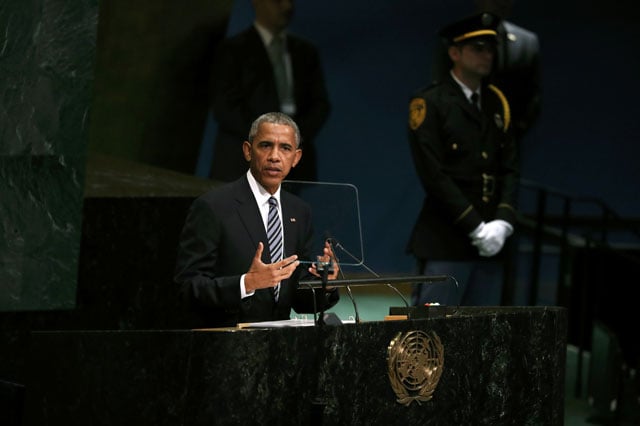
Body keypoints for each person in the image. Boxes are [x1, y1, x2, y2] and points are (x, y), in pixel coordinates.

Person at [175, 112, 339, 327]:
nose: (274, 156)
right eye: (265, 145)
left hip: (280, 347)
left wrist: (325, 284)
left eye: (285, 148)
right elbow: (188, 287)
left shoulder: (299, 211)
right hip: (225, 344)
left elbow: (297, 298)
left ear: (296, 158)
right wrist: (247, 283)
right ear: (248, 151)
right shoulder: (214, 206)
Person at [407, 12, 519, 307]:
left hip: (491, 243)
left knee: (483, 338)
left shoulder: (498, 103)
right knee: (433, 336)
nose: (487, 55)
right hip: (448, 238)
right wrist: (476, 226)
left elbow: (509, 168)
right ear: (455, 53)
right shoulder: (431, 102)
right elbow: (433, 174)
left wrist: (503, 222)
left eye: (491, 49)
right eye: (478, 48)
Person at [208, 0, 330, 183]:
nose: (287, 7)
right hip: (239, 166)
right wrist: (267, 137)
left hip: (291, 172)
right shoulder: (233, 50)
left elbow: (320, 104)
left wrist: (293, 136)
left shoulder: (306, 53)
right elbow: (225, 106)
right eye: (278, 1)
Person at [431, 0, 541, 142]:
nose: (501, 3)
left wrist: (512, 132)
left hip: (507, 143)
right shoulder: (455, 38)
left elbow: (532, 98)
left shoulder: (527, 42)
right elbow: (442, 90)